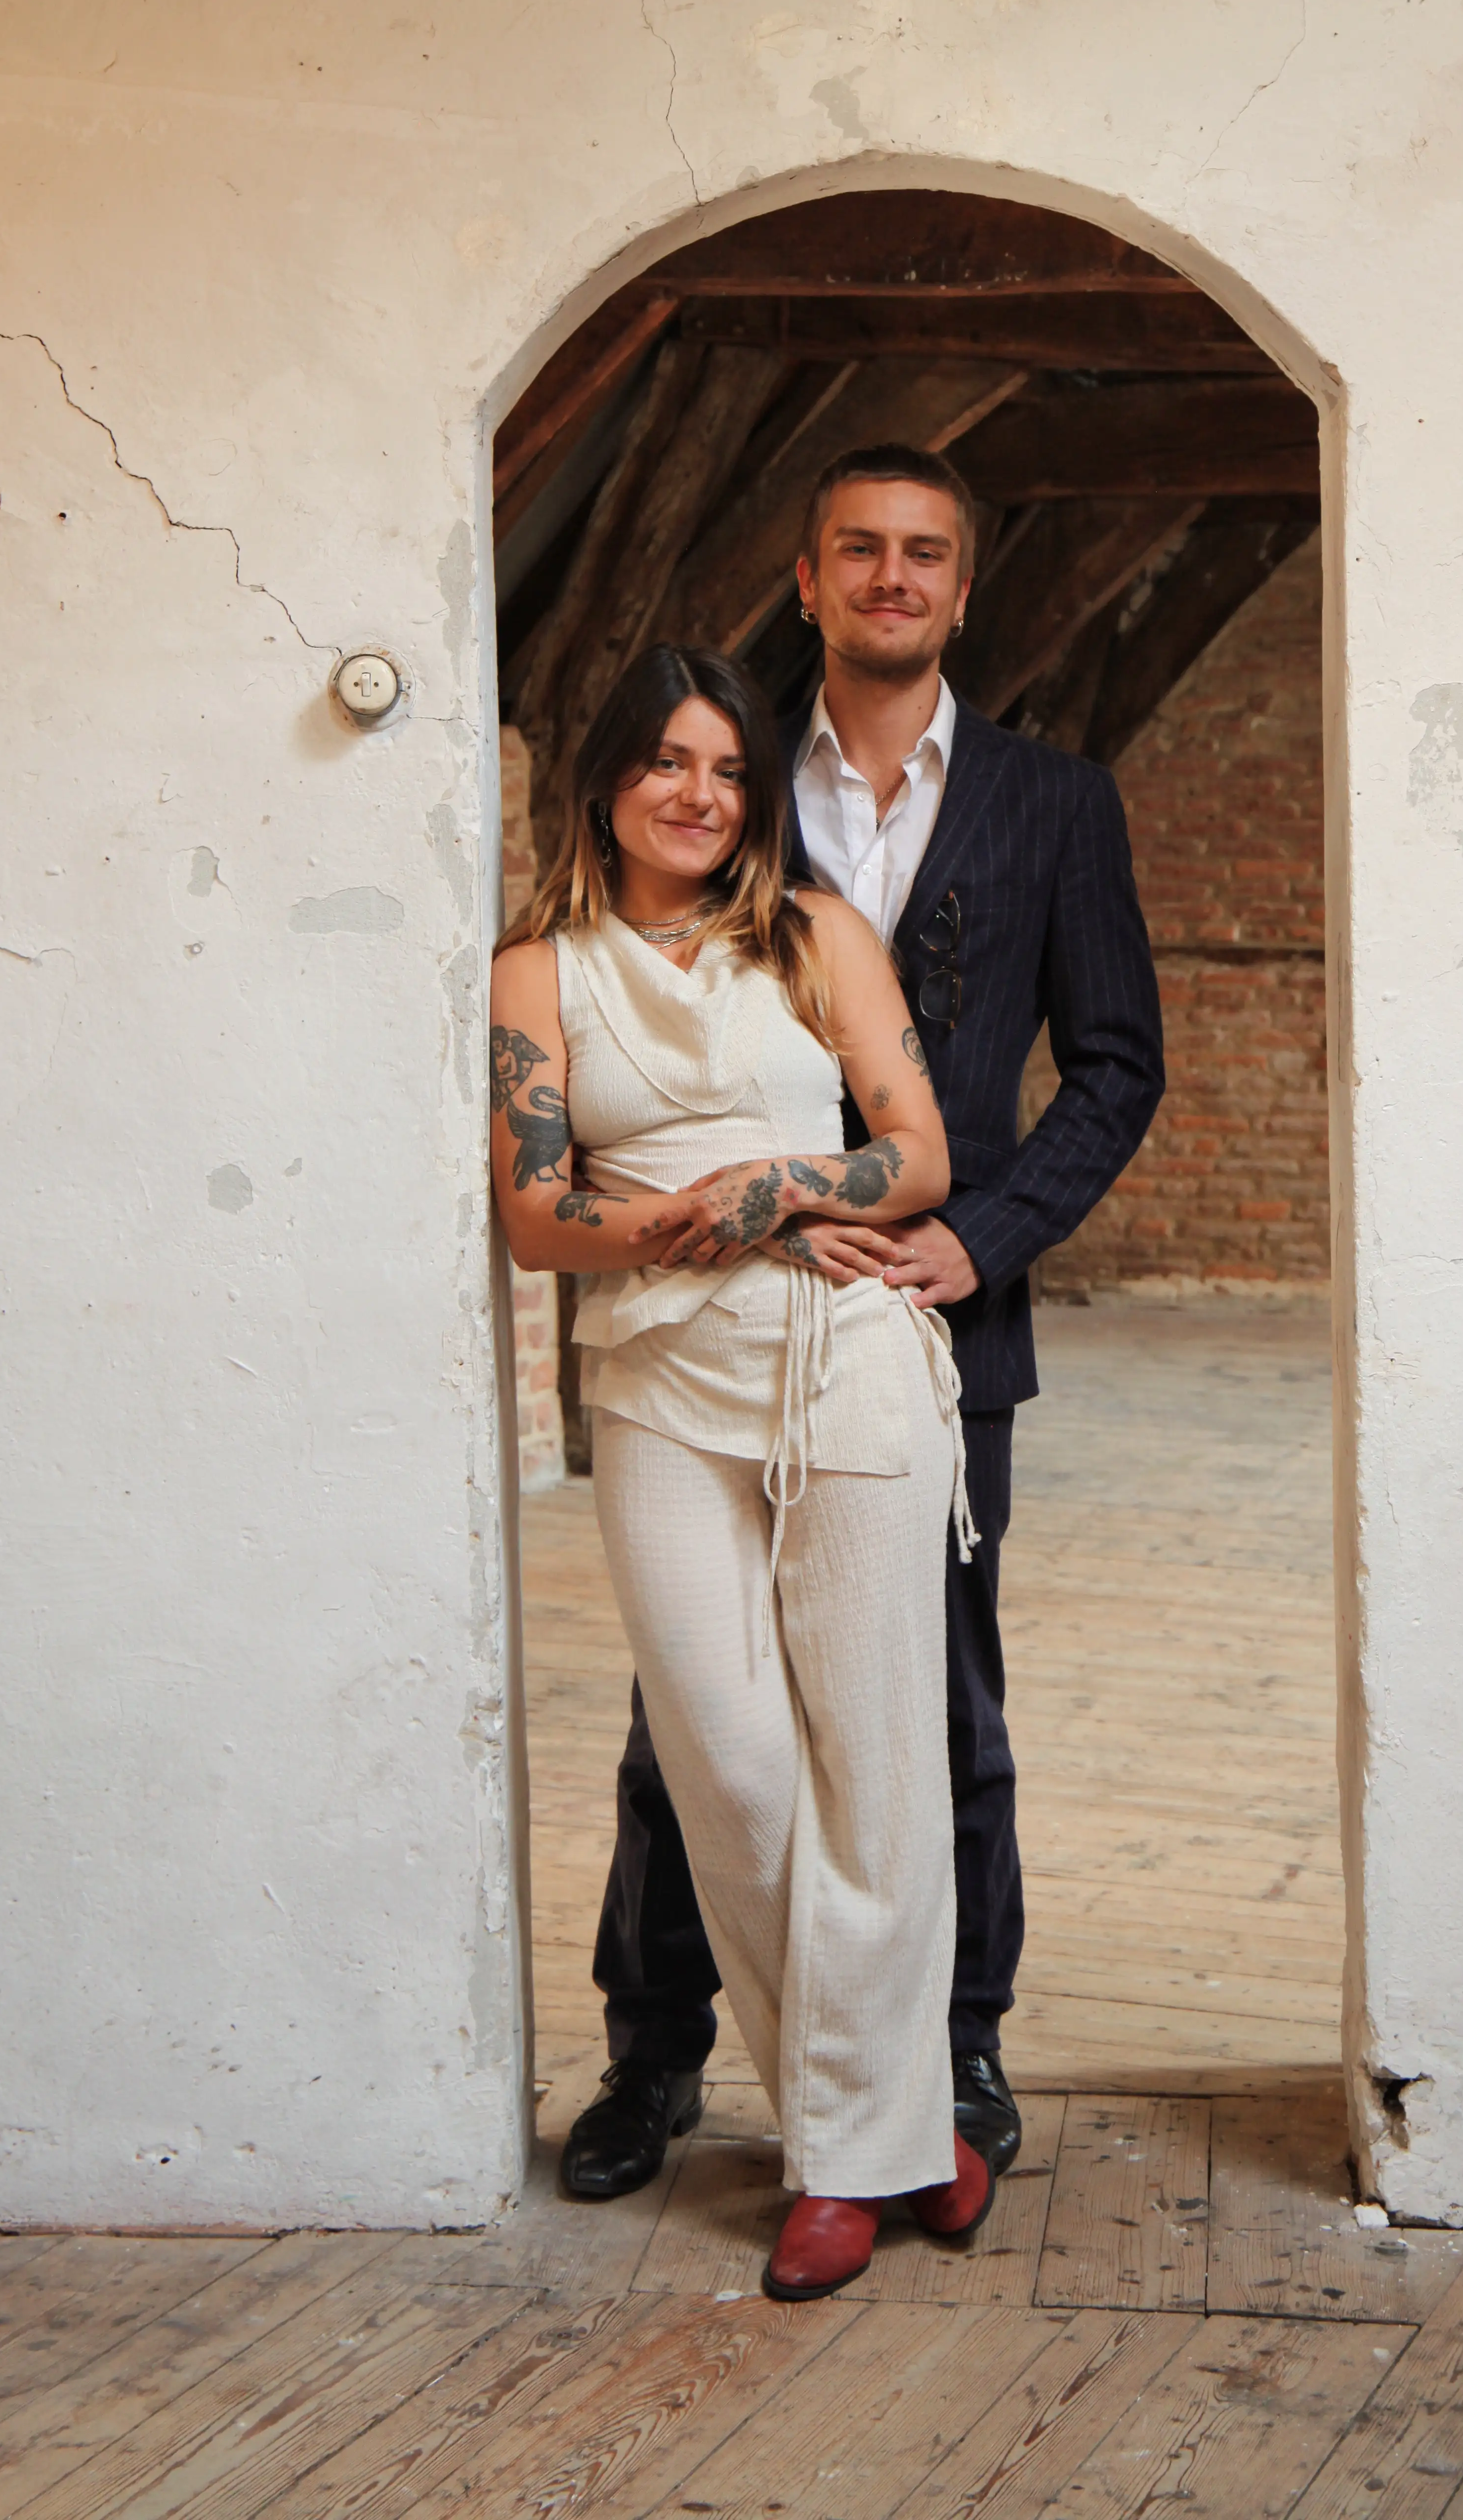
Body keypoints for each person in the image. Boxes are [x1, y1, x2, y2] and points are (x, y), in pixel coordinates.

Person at [566, 446, 1166, 2200]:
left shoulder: (1060, 804)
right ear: (810, 581)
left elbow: (1117, 1068)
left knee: (940, 1700)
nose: (893, 578)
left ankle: (954, 2042)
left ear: (964, 591)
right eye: (860, 552)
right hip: (704, 1325)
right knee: (691, 1708)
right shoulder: (732, 790)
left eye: (926, 555)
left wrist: (977, 1240)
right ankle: (655, 2048)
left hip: (937, 1322)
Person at [492, 642, 997, 2299]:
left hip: (849, 1365)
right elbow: (529, 1210)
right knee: (736, 1771)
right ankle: (900, 2121)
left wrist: (787, 1181)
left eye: (725, 768)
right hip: (655, 1383)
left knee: (878, 1769)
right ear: (608, 781)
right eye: (665, 763)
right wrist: (671, 1223)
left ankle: (842, 2159)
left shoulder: (814, 937)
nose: (699, 794)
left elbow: (918, 1153)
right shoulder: (539, 971)